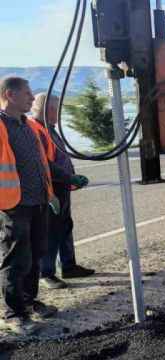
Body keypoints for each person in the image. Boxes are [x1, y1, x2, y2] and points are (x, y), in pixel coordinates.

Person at [0, 77, 60, 335]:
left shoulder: (28, 126)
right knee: (15, 260)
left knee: (36, 255)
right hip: (13, 204)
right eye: (27, 93)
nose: (32, 98)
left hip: (38, 201)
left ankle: (28, 301)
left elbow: (42, 162)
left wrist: (55, 189)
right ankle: (13, 313)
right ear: (9, 95)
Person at [30, 93, 93, 290]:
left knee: (65, 226)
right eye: (55, 109)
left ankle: (69, 265)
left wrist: (71, 177)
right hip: (51, 188)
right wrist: (69, 177)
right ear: (45, 109)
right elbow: (45, 163)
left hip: (62, 185)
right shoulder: (37, 129)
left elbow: (59, 157)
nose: (58, 113)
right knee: (51, 231)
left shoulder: (51, 129)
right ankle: (46, 273)